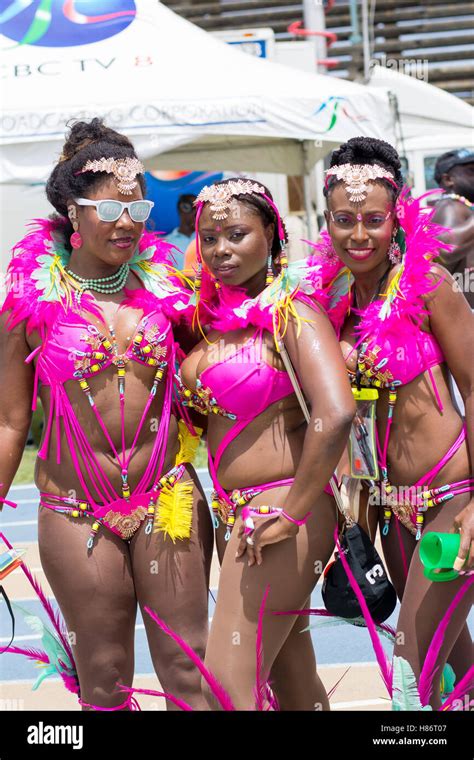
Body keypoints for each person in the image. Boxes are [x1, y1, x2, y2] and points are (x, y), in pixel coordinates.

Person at [0, 119, 213, 711]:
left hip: (168, 497)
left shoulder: (172, 288)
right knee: (104, 674)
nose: (127, 222)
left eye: (138, 206)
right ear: (72, 211)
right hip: (75, 511)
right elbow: (9, 421)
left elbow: (217, 376)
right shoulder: (29, 303)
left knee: (189, 669)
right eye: (109, 208)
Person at [176, 178, 355, 710]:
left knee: (226, 689)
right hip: (241, 513)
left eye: (236, 234)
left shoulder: (294, 312)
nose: (221, 250)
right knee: (292, 680)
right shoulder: (208, 323)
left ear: (273, 235)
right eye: (210, 238)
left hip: (280, 511)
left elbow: (336, 411)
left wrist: (293, 513)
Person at [315, 137, 473, 709]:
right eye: (345, 220)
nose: (360, 235)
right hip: (389, 505)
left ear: (397, 215)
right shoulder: (328, 301)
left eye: (374, 220)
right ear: (326, 220)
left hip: (452, 497)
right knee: (454, 662)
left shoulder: (429, 284)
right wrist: (351, 513)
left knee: (410, 674)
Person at [432, 149, 474, 308]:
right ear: (448, 179)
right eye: (471, 171)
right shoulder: (449, 206)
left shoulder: (463, 207)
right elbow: (448, 249)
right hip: (465, 317)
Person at [163, 194, 197, 270]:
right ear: (183, 210)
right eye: (194, 209)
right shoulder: (166, 243)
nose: (197, 214)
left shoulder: (206, 238)